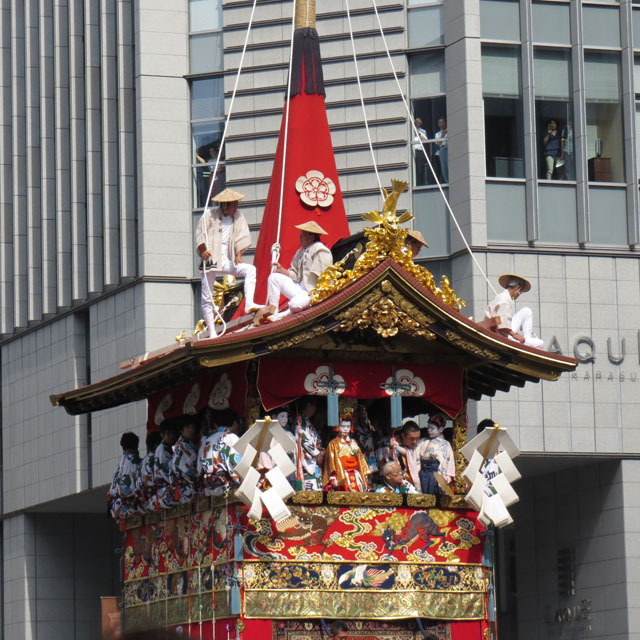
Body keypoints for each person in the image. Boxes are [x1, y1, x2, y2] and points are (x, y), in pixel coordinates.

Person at [196, 187, 258, 336]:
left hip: (228, 258)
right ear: (225, 205)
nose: (236, 207)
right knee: (207, 297)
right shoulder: (209, 215)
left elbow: (241, 236)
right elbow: (200, 233)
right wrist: (203, 249)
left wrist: (238, 254)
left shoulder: (238, 216)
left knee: (250, 270)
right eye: (233, 204)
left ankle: (249, 303)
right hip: (212, 258)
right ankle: (211, 331)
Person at [257, 220, 333, 322]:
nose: (300, 237)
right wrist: (281, 270)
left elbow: (324, 277)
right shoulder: (301, 252)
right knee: (273, 278)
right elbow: (296, 275)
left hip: (312, 292)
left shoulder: (321, 251)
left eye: (302, 235)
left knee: (295, 304)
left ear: (311, 237)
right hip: (300, 289)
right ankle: (273, 311)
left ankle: (284, 314)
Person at [484, 273, 544, 349]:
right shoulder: (505, 299)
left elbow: (499, 320)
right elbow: (501, 323)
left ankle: (527, 337)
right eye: (520, 292)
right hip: (500, 335)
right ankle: (526, 341)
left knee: (527, 311)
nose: (519, 295)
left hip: (501, 330)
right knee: (540, 343)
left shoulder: (503, 297)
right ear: (517, 288)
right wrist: (515, 335)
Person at [323, 413, 371, 491]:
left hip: (355, 473)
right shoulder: (333, 443)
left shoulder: (354, 443)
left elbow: (361, 460)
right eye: (343, 426)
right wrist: (333, 476)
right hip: (342, 475)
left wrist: (364, 475)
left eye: (348, 427)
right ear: (338, 427)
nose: (345, 429)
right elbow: (331, 462)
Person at [107, 432, 143, 519]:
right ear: (136, 446)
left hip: (116, 505)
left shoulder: (121, 462)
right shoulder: (133, 461)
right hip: (126, 505)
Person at [377, 420, 421, 492]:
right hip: (393, 486)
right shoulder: (390, 444)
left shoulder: (415, 446)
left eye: (417, 438)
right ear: (403, 436)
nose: (415, 442)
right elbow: (390, 470)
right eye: (412, 439)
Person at [417, 413, 455, 494]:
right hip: (422, 473)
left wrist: (444, 477)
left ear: (441, 429)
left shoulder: (445, 444)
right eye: (428, 427)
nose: (429, 430)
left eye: (432, 428)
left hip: (436, 474)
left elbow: (446, 462)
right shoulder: (422, 441)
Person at [295, 398, 325, 490]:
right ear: (308, 405)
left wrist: (322, 450)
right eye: (314, 406)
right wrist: (316, 453)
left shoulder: (307, 421)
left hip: (314, 463)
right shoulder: (300, 421)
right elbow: (304, 440)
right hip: (307, 462)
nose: (315, 409)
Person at [171, 416, 200, 504]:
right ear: (181, 430)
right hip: (188, 490)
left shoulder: (184, 443)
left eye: (192, 427)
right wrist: (195, 491)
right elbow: (188, 472)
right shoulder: (182, 446)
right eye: (188, 427)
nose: (192, 430)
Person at [151, 419, 179, 510]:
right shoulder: (162, 450)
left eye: (172, 433)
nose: (171, 436)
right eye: (168, 433)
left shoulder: (167, 448)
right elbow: (166, 472)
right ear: (162, 434)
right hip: (165, 491)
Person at [138, 430, 162, 512]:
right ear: (156, 445)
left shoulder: (142, 461)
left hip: (143, 501)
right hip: (154, 497)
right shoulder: (154, 459)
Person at [412, 117, 428, 186]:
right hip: (413, 150)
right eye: (416, 122)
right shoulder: (411, 129)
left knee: (420, 169)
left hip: (420, 151)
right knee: (414, 168)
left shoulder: (423, 131)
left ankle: (420, 184)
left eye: (419, 122)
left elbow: (425, 140)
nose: (418, 123)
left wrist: (418, 134)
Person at [434, 117, 448, 183]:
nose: (441, 124)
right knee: (444, 166)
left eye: (442, 122)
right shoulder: (437, 134)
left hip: (450, 148)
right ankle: (447, 181)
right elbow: (438, 144)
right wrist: (443, 134)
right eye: (440, 123)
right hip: (442, 149)